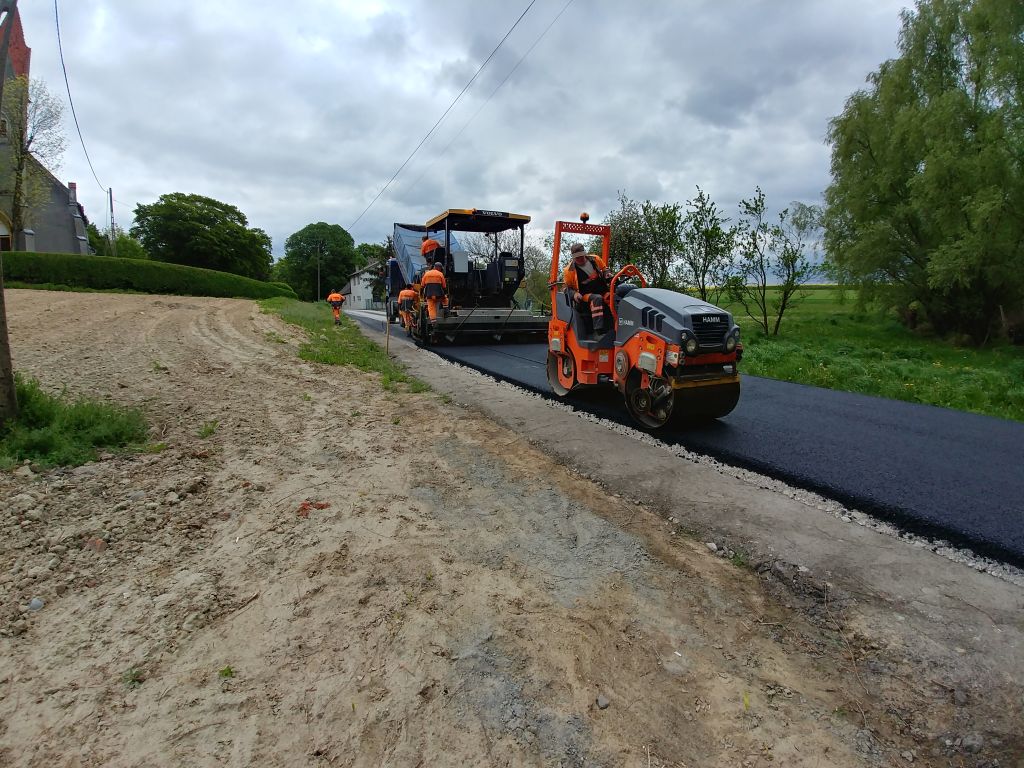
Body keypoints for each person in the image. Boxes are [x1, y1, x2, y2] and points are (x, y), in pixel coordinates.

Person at [563, 243, 612, 334]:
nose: (580, 259)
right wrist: (574, 294)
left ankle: (614, 326)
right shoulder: (569, 270)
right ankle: (599, 331)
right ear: (573, 257)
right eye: (577, 257)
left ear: (585, 254)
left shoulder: (595, 259)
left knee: (614, 296)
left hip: (602, 290)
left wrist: (607, 274)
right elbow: (567, 289)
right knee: (597, 298)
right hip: (585, 295)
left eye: (581, 256)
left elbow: (605, 269)